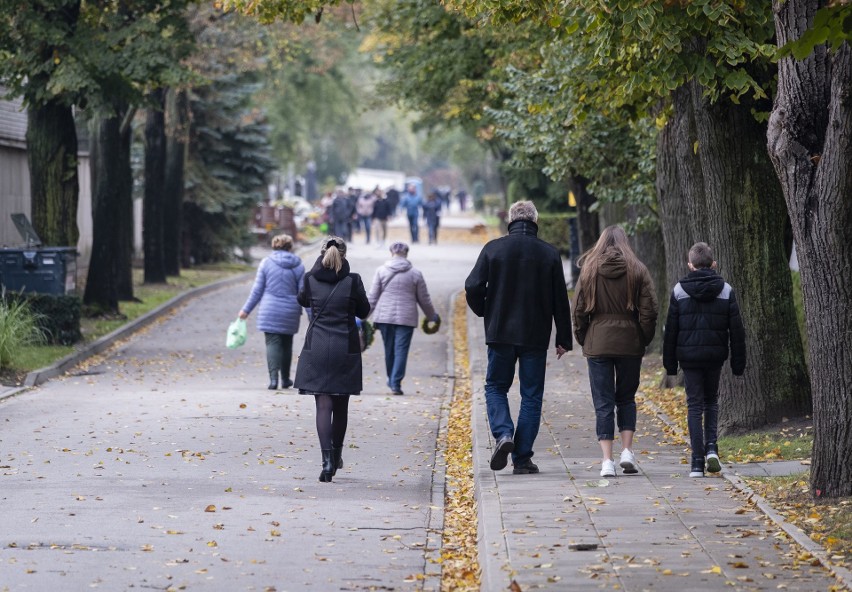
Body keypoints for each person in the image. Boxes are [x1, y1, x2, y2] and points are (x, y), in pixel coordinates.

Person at [465, 201, 573, 475]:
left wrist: (485, 311)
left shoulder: (494, 249)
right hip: (535, 336)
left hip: (500, 333)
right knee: (532, 396)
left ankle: (503, 434)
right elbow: (560, 298)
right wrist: (563, 337)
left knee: (495, 387)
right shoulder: (549, 253)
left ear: (511, 220)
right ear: (535, 221)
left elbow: (472, 285)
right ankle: (522, 458)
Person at [572, 225, 658, 478]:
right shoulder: (637, 269)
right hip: (629, 341)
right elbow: (649, 311)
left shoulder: (589, 269)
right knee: (626, 397)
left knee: (603, 402)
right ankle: (627, 452)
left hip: (598, 341)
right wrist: (643, 338)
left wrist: (584, 338)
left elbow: (578, 310)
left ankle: (607, 461)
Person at [663, 242, 746, 478]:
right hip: (714, 356)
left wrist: (670, 364)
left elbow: (671, 331)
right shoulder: (726, 290)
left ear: (690, 265)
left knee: (694, 405)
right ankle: (712, 448)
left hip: (689, 358)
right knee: (711, 402)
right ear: (714, 264)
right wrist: (738, 364)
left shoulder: (679, 290)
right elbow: (736, 331)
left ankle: (697, 462)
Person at [294, 236, 370, 482]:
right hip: (344, 348)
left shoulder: (310, 278)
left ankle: (327, 462)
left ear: (322, 254)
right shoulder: (352, 280)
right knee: (341, 406)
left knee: (322, 405)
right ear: (344, 255)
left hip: (317, 346)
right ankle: (336, 456)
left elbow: (302, 300)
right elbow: (364, 311)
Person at [367, 242, 440, 396]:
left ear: (391, 253)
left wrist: (362, 316)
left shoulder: (381, 271)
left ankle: (391, 378)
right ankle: (395, 382)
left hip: (385, 317)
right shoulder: (415, 273)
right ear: (406, 254)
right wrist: (431, 316)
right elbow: (424, 299)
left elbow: (372, 297)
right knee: (401, 350)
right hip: (406, 318)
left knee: (389, 349)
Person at [238, 234, 304, 390]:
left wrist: (245, 310)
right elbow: (303, 293)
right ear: (290, 247)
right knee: (287, 344)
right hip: (291, 310)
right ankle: (286, 379)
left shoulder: (266, 263)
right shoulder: (298, 265)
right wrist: (312, 314)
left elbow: (257, 290)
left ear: (274, 246)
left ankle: (273, 380)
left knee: (272, 343)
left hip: (270, 309)